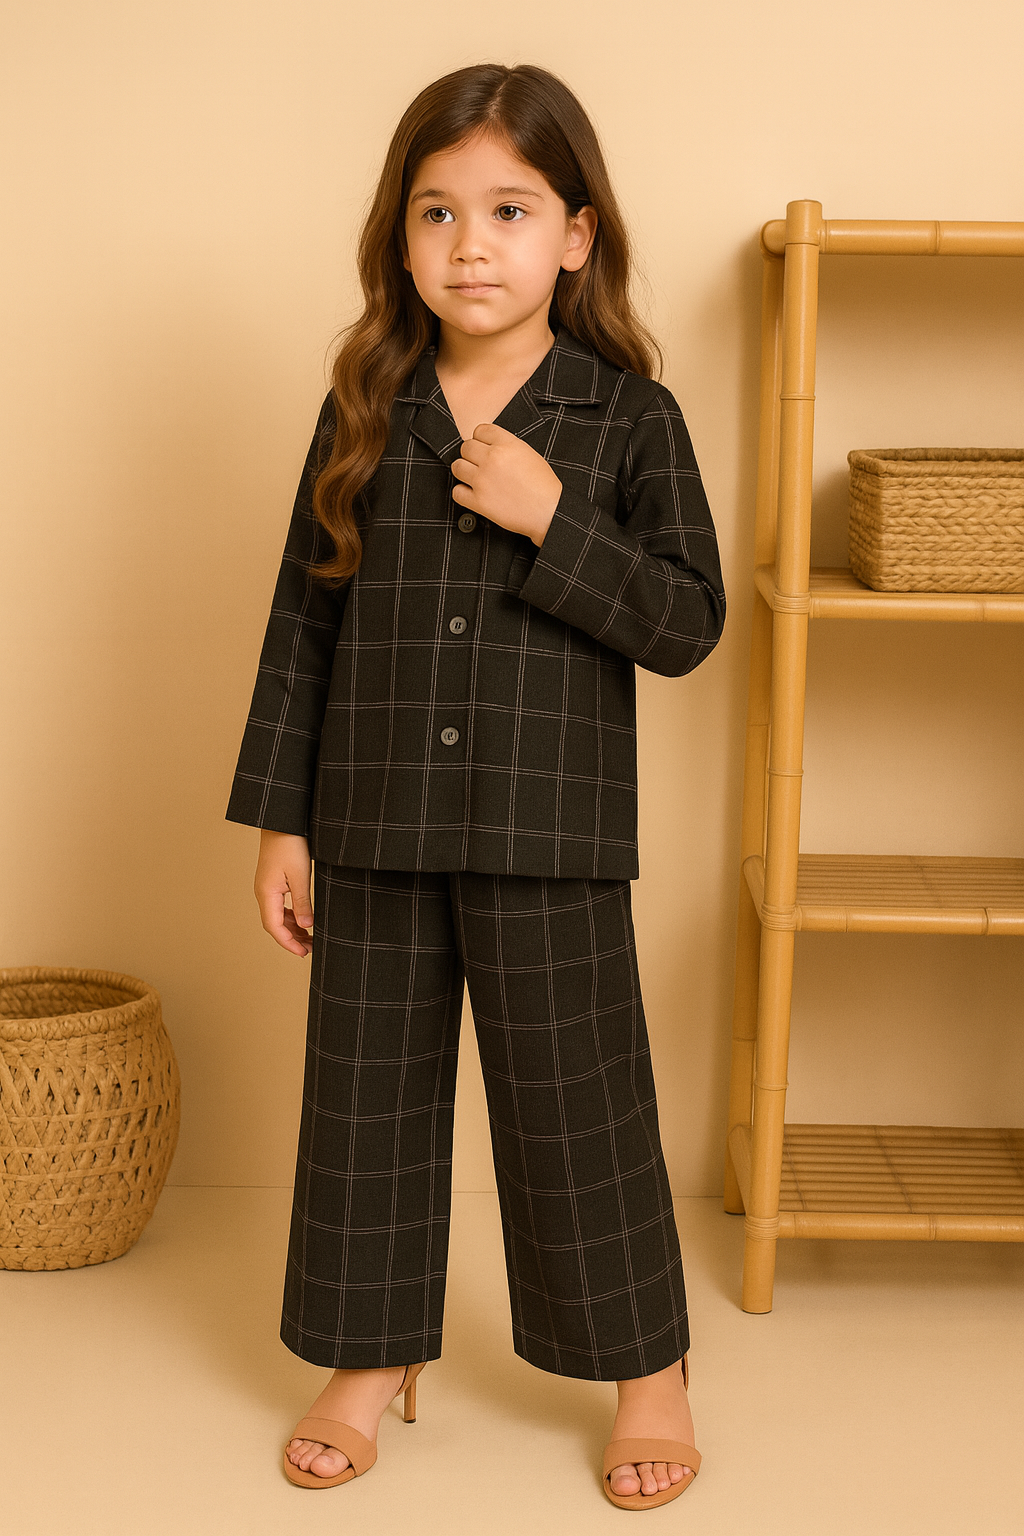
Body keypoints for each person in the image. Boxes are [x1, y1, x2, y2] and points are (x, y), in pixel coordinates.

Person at [225, 61, 726, 1512]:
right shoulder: (364, 406)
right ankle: (367, 1358)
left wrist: (554, 521)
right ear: (401, 239)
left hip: (550, 831)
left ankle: (648, 1375)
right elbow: (304, 620)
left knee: (581, 1111)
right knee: (365, 1104)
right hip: (372, 819)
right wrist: (281, 820)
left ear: (576, 235)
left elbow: (688, 622)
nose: (470, 244)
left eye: (509, 210)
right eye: (437, 212)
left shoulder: (628, 418)